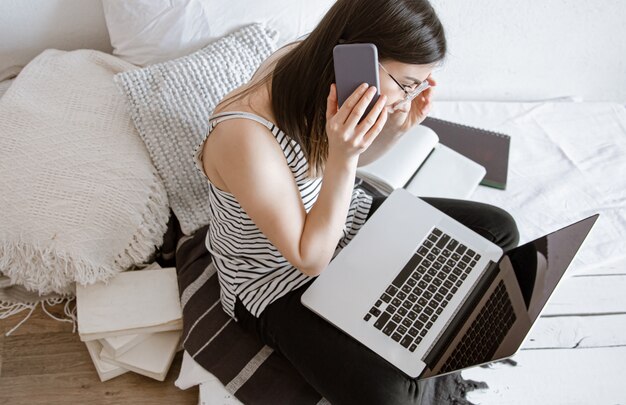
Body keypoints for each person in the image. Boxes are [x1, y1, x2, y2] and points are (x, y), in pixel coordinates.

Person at [193, 0, 520, 403]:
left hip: (344, 217)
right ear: (355, 56)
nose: (409, 94)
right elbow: (309, 257)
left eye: (420, 84)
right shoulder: (243, 137)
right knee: (388, 398)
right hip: (276, 278)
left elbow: (354, 160)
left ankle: (401, 321)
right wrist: (344, 156)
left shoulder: (325, 79)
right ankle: (407, 329)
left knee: (498, 229)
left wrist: (399, 127)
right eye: (405, 82)